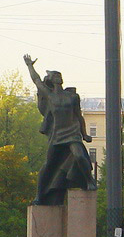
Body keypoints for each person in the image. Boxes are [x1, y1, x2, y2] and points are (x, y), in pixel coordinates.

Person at [24, 54, 96, 206]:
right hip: (57, 135)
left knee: (79, 155)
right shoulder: (49, 95)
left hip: (72, 133)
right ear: (51, 79)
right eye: (55, 75)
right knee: (48, 165)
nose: (58, 77)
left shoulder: (72, 97)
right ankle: (39, 195)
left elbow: (79, 116)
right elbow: (36, 80)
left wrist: (84, 134)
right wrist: (30, 65)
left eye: (59, 75)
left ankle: (90, 181)